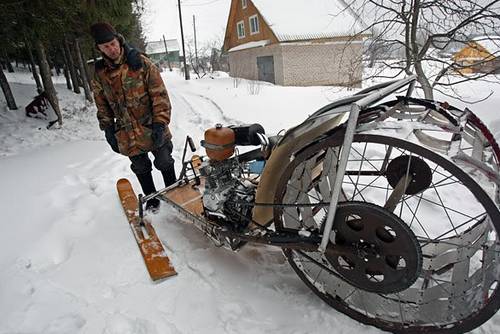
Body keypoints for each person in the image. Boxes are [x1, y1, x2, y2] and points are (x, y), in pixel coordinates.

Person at [90, 22, 176, 211]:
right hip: (126, 133)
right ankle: (152, 199)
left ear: (118, 40)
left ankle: (174, 192)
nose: (111, 49)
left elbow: (159, 95)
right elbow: (101, 104)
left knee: (164, 160)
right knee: (141, 166)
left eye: (112, 44)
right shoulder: (100, 74)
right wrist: (108, 129)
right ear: (99, 49)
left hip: (151, 126)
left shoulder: (141, 63)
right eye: (105, 47)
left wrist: (160, 124)